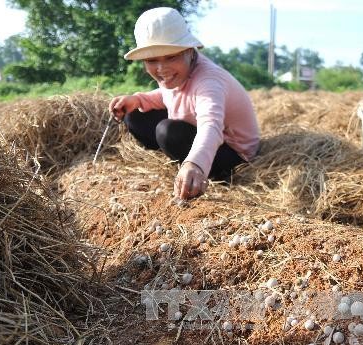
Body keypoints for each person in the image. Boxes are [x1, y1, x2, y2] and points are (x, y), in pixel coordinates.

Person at [109, 7, 259, 200]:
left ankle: (202, 171)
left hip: (234, 154)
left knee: (167, 131)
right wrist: (137, 99)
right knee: (135, 115)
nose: (162, 68)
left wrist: (195, 164)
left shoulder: (209, 81)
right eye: (152, 60)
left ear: (189, 51)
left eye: (171, 56)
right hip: (199, 130)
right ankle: (181, 158)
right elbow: (167, 94)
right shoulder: (179, 73)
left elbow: (211, 126)